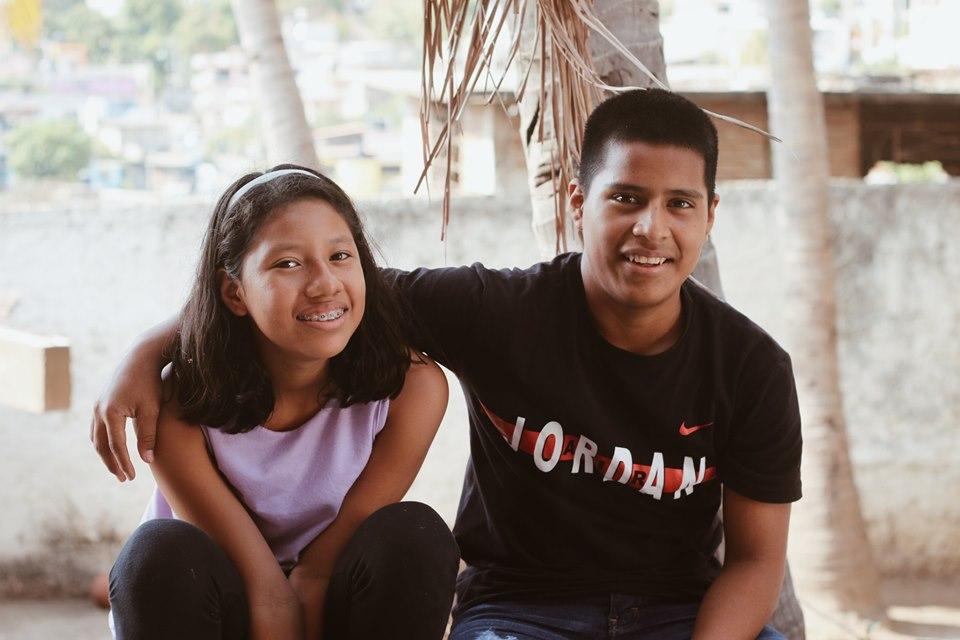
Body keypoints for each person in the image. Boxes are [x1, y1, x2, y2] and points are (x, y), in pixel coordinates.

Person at [94, 89, 801, 640]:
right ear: (579, 202)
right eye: (625, 198)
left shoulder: (751, 368)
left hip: (681, 615)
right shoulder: (496, 310)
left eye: (680, 204)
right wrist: (146, 352)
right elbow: (312, 304)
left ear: (710, 215)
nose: (652, 228)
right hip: (522, 613)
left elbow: (755, 559)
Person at [104, 166, 459, 640]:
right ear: (235, 292)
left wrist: (309, 586)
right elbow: (264, 591)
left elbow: (325, 565)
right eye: (287, 264)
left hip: (330, 585)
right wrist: (141, 353)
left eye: (339, 255)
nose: (324, 283)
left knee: (416, 535)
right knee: (157, 552)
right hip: (222, 599)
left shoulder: (411, 387)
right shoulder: (179, 397)